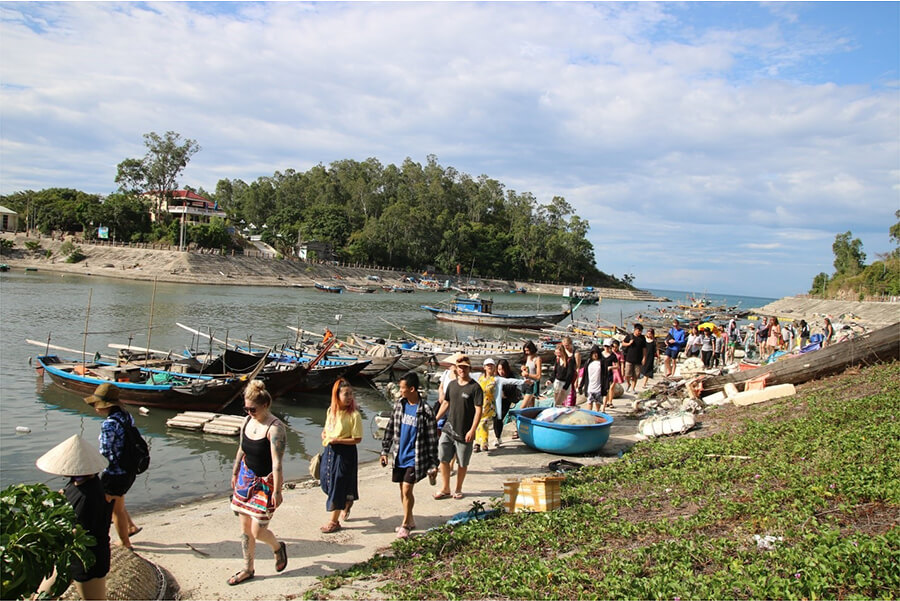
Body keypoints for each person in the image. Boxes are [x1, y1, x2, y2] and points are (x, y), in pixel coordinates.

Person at [34, 435, 113, 601]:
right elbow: (68, 495)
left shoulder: (90, 496)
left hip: (87, 559)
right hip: (68, 555)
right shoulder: (79, 482)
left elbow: (80, 532)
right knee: (41, 597)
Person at [228, 380, 287, 585]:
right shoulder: (247, 421)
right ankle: (248, 568)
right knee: (245, 529)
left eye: (252, 408)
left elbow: (277, 462)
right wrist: (235, 471)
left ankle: (278, 547)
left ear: (265, 405)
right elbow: (242, 448)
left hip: (266, 483)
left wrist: (277, 491)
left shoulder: (275, 428)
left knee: (258, 530)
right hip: (246, 477)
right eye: (246, 408)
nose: (249, 412)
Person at [380, 372, 439, 539]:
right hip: (399, 455)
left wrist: (434, 463)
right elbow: (391, 427)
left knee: (407, 490)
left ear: (412, 389)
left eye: (402, 388)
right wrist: (385, 450)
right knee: (403, 490)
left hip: (416, 457)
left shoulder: (426, 410)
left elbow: (432, 439)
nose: (400, 391)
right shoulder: (400, 405)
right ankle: (410, 518)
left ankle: (405, 525)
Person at [83, 383, 141, 550]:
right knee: (118, 502)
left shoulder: (109, 424)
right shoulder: (126, 416)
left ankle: (125, 542)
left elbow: (106, 451)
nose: (95, 408)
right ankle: (130, 527)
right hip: (129, 468)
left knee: (112, 508)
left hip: (115, 472)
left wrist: (94, 468)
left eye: (96, 405)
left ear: (104, 406)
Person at [434, 354, 483, 500]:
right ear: (456, 368)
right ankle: (445, 487)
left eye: (465, 367)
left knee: (462, 462)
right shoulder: (452, 385)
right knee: (443, 457)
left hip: (465, 431)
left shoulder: (475, 387)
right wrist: (435, 419)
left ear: (469, 368)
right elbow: (446, 403)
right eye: (460, 367)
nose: (462, 370)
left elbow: (479, 410)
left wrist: (473, 430)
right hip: (448, 428)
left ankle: (458, 488)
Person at [320, 378, 362, 533]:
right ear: (337, 395)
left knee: (338, 484)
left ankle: (334, 521)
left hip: (345, 452)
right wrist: (325, 434)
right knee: (326, 481)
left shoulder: (354, 415)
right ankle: (346, 500)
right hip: (330, 450)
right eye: (346, 394)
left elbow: (357, 439)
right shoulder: (331, 411)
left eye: (351, 394)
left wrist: (338, 440)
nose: (350, 397)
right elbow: (326, 429)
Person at [493, 359, 524, 446]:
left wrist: (502, 391)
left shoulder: (512, 377)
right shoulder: (496, 377)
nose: (501, 372)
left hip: (506, 401)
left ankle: (497, 437)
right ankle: (497, 436)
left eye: (502, 369)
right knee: (495, 418)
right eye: (499, 369)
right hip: (497, 400)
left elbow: (511, 389)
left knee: (499, 417)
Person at [474, 358, 498, 453]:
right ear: (484, 367)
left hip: (489, 405)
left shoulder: (496, 379)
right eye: (488, 365)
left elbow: (509, 381)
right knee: (478, 423)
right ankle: (479, 443)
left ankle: (481, 443)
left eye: (491, 365)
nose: (489, 367)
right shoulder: (479, 377)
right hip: (479, 402)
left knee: (484, 423)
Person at [579, 344, 605, 412]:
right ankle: (589, 416)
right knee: (589, 403)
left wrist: (606, 387)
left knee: (597, 404)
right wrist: (581, 386)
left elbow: (605, 376)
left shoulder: (602, 363)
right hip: (590, 387)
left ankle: (597, 415)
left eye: (596, 353)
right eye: (593, 353)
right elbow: (585, 375)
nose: (595, 355)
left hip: (599, 388)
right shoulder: (588, 363)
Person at [621, 323, 647, 392]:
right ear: (635, 330)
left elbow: (644, 349)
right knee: (627, 374)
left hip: (638, 359)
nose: (639, 332)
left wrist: (644, 358)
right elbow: (623, 343)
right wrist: (629, 343)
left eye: (641, 331)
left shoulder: (642, 338)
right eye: (638, 330)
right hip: (629, 358)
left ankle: (633, 388)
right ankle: (628, 383)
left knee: (636, 375)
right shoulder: (630, 336)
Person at [519, 341, 542, 409]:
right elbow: (529, 369)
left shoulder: (537, 359)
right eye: (525, 351)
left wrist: (527, 375)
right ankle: (530, 418)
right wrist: (523, 368)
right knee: (530, 407)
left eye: (527, 351)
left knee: (522, 407)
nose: (526, 352)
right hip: (525, 383)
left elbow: (538, 376)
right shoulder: (528, 357)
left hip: (532, 385)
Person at [562, 336, 581, 406]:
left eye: (567, 345)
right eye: (564, 346)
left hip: (572, 376)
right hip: (563, 375)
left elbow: (578, 367)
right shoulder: (563, 351)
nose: (566, 347)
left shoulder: (576, 353)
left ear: (570, 344)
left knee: (571, 393)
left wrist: (577, 380)